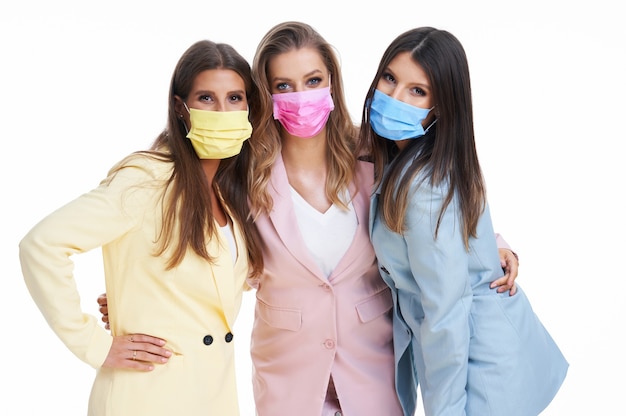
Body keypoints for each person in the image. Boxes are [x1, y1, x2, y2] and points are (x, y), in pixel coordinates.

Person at [97, 22, 520, 416]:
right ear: (267, 94)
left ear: (332, 82)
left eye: (313, 81)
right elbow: (205, 247)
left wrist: (490, 243)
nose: (302, 96)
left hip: (374, 375)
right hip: (288, 381)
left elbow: (436, 202)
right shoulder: (241, 176)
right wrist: (137, 295)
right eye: (285, 85)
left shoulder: (375, 154)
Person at [19, 39, 263, 416]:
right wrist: (93, 344)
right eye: (206, 98)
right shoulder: (147, 180)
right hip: (147, 397)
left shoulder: (229, 193)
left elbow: (207, 288)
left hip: (213, 396)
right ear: (181, 108)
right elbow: (42, 245)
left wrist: (129, 294)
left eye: (234, 98)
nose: (222, 110)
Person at [356, 27, 568, 416]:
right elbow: (460, 229)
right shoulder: (425, 153)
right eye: (389, 78)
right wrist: (494, 246)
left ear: (441, 107)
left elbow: (446, 315)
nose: (394, 97)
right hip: (487, 348)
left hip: (479, 370)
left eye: (417, 91)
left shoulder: (426, 188)